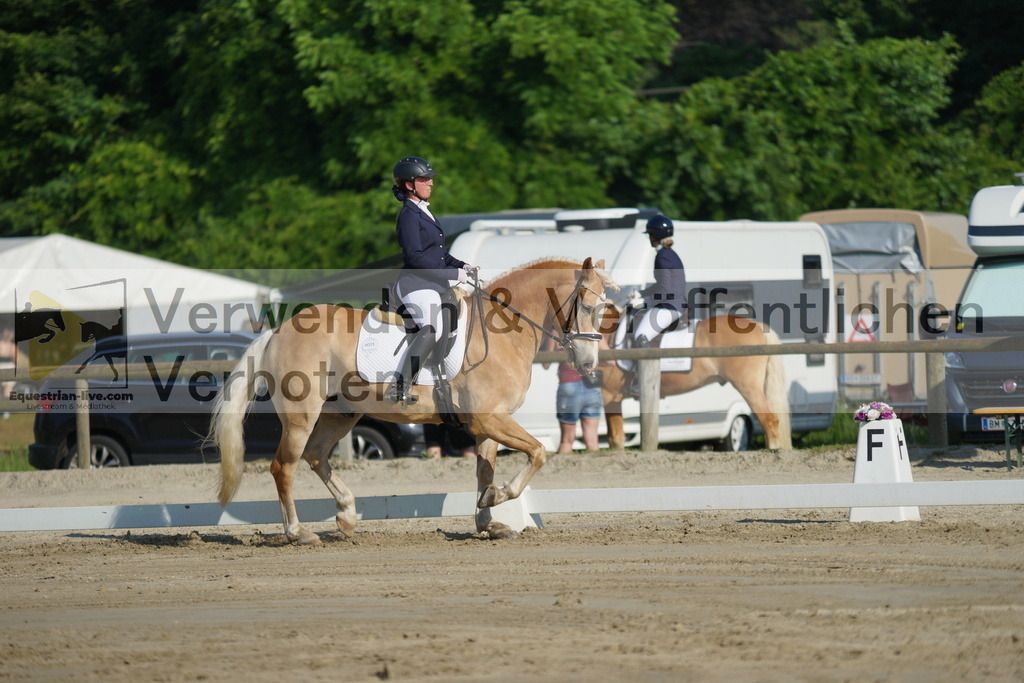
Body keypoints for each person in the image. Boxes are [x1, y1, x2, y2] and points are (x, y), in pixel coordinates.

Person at [387, 156, 478, 404]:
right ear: (409, 185)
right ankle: (399, 386)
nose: (430, 183)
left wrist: (461, 266)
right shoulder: (408, 215)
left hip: (434, 285)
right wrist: (452, 275)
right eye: (424, 179)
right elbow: (415, 257)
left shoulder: (423, 211)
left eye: (430, 179)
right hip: (415, 285)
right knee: (432, 327)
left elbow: (438, 253)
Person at [626, 214, 687, 396]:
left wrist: (644, 302)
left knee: (641, 335)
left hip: (669, 306)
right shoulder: (670, 254)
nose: (649, 239)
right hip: (674, 303)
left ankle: (643, 381)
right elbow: (661, 285)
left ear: (654, 235)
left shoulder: (662, 256)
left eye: (649, 235)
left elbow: (666, 290)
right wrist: (642, 293)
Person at [541, 335, 609, 454]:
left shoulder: (557, 332)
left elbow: (546, 364)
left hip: (569, 386)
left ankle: (563, 470)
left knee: (566, 441)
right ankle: (595, 471)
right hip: (592, 388)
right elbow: (611, 361)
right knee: (592, 440)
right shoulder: (592, 332)